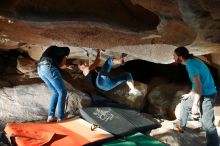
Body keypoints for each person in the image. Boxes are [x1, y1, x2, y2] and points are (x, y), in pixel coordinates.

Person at [173, 46, 219, 146]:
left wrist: (195, 105)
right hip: (202, 92)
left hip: (208, 95)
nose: (173, 58)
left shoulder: (191, 64)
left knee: (208, 125)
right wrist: (190, 94)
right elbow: (196, 83)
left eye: (174, 56)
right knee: (185, 103)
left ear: (180, 57)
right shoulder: (192, 61)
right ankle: (181, 126)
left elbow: (198, 86)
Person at [37, 45, 70, 122]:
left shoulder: (51, 51)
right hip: (48, 66)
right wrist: (68, 65)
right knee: (63, 91)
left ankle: (51, 116)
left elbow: (60, 65)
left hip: (40, 69)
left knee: (56, 92)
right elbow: (62, 65)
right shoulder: (66, 50)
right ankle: (60, 118)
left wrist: (67, 66)